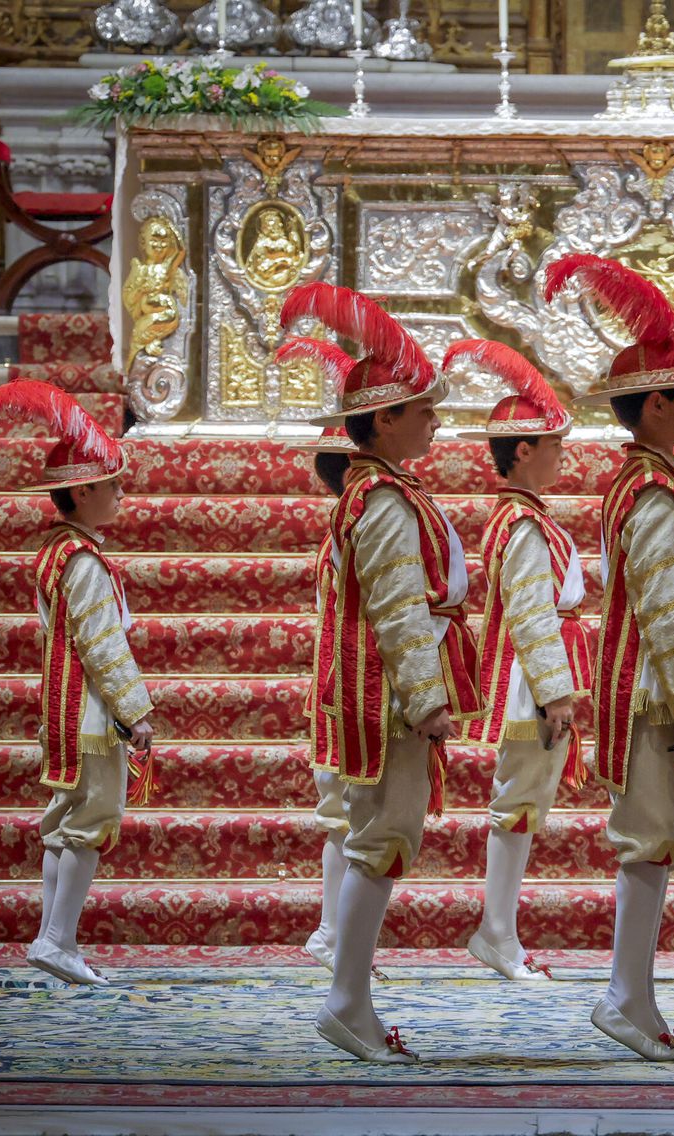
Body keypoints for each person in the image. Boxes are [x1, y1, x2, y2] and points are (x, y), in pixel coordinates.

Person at [277, 282, 482, 1063]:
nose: (435, 421)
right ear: (385, 418)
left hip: (384, 694)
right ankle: (347, 1000)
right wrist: (428, 701)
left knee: (380, 841)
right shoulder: (386, 500)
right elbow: (398, 609)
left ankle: (351, 997)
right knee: (379, 842)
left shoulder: (381, 492)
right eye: (423, 410)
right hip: (390, 700)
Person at [543, 252, 674, 1060]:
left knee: (656, 838)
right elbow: (663, 600)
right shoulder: (651, 490)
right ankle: (625, 996)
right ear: (655, 405)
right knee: (648, 837)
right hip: (652, 686)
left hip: (655, 681)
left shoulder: (658, 479)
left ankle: (633, 994)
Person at [0, 379, 156, 987]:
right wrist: (136, 712)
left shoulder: (59, 551)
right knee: (91, 819)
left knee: (65, 821)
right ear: (82, 490)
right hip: (89, 714)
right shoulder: (82, 560)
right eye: (113, 485)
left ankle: (50, 938)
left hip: (63, 707)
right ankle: (58, 939)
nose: (121, 496)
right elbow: (103, 646)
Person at [447, 339, 591, 982]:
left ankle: (500, 929)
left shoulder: (524, 518)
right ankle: (497, 930)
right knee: (519, 802)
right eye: (553, 444)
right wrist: (557, 693)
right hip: (530, 686)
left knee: (524, 802)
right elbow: (533, 617)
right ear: (524, 451)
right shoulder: (523, 524)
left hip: (535, 679)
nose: (564, 455)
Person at [276, 413, 361, 974]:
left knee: (347, 814)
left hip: (340, 681)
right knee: (347, 813)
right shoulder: (354, 524)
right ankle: (332, 931)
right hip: (348, 686)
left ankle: (334, 931)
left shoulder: (349, 522)